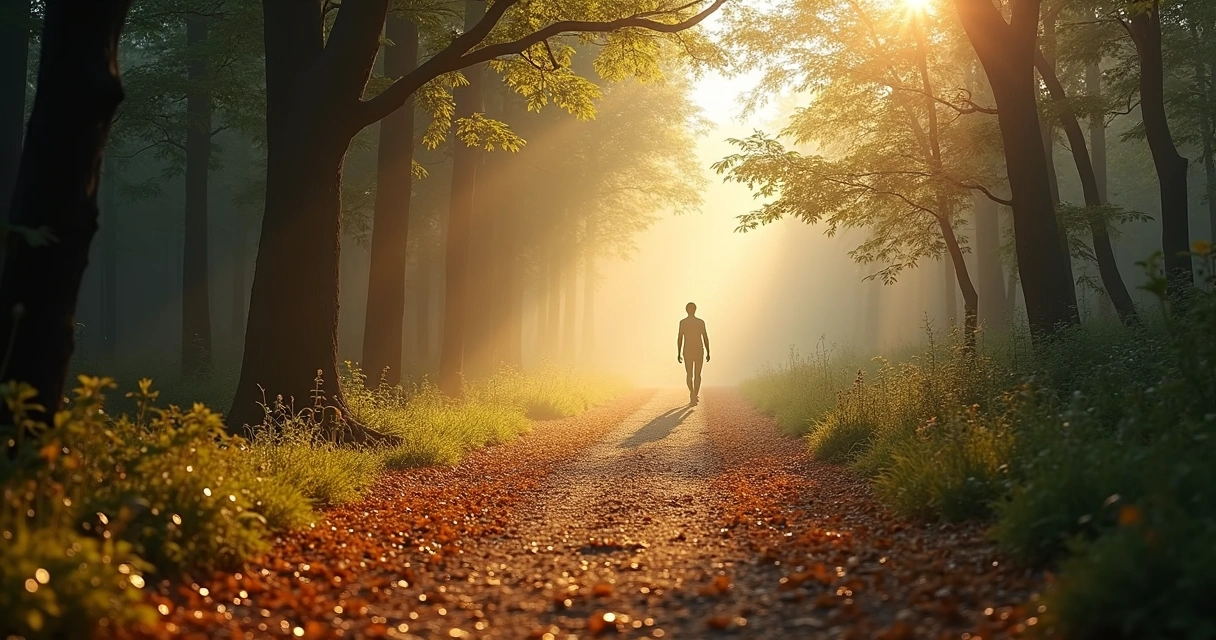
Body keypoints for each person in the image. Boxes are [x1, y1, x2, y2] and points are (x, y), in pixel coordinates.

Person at [677, 302, 710, 405]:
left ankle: (692, 393)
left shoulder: (683, 322)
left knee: (689, 374)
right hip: (698, 350)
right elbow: (705, 337)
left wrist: (678, 352)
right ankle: (695, 394)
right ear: (695, 309)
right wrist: (708, 351)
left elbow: (680, 337)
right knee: (697, 374)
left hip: (687, 350)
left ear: (686, 310)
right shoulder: (700, 322)